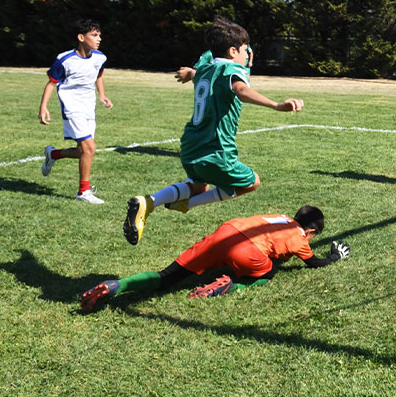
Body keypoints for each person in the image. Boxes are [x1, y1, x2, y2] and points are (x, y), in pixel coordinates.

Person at [122, 16, 304, 245]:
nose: (248, 54)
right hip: (216, 149)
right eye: (246, 49)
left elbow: (202, 75)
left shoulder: (206, 69)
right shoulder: (230, 70)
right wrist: (277, 105)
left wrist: (190, 74)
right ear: (232, 51)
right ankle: (187, 205)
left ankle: (149, 201)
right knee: (251, 182)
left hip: (190, 146)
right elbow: (240, 89)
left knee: (199, 186)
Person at [81, 205, 350, 311]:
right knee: (268, 274)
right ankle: (230, 284)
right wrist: (335, 256)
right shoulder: (299, 236)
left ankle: (118, 285)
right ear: (311, 231)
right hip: (246, 250)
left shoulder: (279, 217)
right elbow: (314, 262)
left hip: (226, 232)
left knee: (167, 278)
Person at [38, 19, 114, 204]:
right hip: (72, 107)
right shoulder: (64, 60)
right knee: (90, 148)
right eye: (94, 35)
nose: (99, 39)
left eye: (99, 35)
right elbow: (51, 83)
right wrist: (43, 107)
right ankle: (83, 192)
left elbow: (99, 76)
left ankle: (53, 154)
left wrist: (102, 95)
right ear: (81, 37)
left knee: (83, 151)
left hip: (89, 107)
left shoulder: (100, 57)